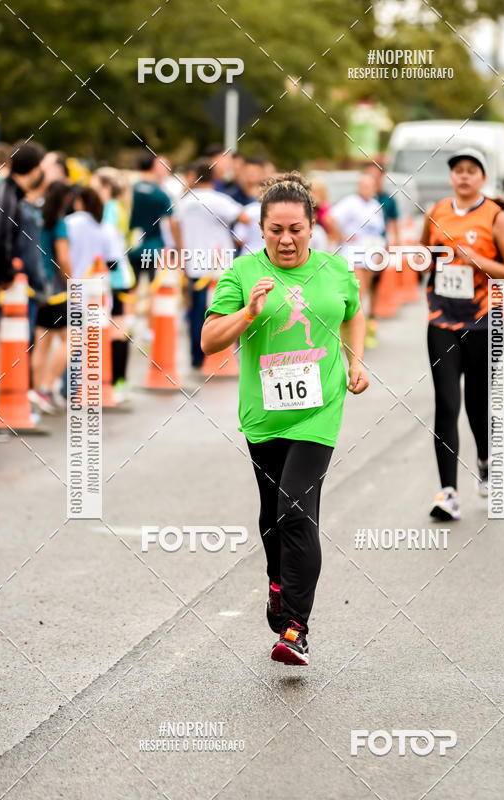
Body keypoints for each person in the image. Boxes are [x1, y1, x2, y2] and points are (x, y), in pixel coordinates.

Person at [201, 172, 369, 666]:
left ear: (312, 226)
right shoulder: (243, 273)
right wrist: (248, 314)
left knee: (295, 509)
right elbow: (209, 340)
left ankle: (295, 628)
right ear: (261, 228)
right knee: (272, 516)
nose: (287, 239)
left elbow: (353, 313)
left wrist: (356, 361)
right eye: (275, 230)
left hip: (318, 412)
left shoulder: (334, 270)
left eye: (296, 229)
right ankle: (278, 583)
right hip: (264, 415)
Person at [419, 147, 504, 520]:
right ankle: (448, 493)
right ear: (451, 177)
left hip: (484, 323)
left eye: (471, 170)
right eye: (458, 170)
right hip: (442, 321)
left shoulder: (495, 216)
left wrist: (478, 260)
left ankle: (485, 461)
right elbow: (422, 258)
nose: (463, 176)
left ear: (483, 177)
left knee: (477, 403)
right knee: (447, 404)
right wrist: (421, 259)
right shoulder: (436, 212)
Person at [172, 159, 248, 369]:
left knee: (197, 312)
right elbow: (244, 217)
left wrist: (182, 252)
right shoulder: (219, 200)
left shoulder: (185, 201)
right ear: (214, 178)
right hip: (218, 266)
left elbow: (174, 226)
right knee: (219, 311)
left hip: (194, 264)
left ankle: (197, 357)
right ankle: (218, 354)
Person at [91, 167, 135, 398]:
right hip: (117, 275)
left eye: (94, 185)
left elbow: (106, 241)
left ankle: (117, 381)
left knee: (117, 329)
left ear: (106, 188)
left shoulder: (110, 208)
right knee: (117, 327)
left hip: (114, 277)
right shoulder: (117, 206)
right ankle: (116, 381)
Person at [30, 181, 73, 413]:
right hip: (56, 290)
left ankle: (37, 393)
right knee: (73, 339)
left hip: (37, 288)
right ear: (66, 198)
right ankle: (45, 389)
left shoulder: (35, 216)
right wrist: (71, 282)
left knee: (42, 342)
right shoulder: (58, 222)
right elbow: (63, 258)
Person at [332, 173, 385, 349]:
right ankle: (345, 334)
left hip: (370, 257)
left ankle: (359, 333)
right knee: (356, 296)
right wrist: (340, 237)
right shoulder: (350, 202)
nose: (366, 189)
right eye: (363, 186)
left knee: (363, 297)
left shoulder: (376, 205)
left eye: (369, 186)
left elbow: (378, 233)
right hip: (353, 256)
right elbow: (330, 218)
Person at [0, 141, 45, 291]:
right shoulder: (8, 196)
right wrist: (7, 275)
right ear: (35, 171)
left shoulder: (8, 193)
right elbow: (1, 237)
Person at [365, 162, 400, 347]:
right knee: (359, 287)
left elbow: (394, 223)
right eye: (369, 175)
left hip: (379, 248)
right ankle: (353, 326)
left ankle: (371, 323)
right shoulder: (359, 198)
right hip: (360, 250)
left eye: (375, 175)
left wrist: (396, 246)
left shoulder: (388, 199)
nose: (372, 178)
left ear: (381, 177)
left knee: (374, 286)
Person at [128, 152, 174, 284]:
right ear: (154, 167)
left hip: (132, 247)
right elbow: (171, 223)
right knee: (153, 288)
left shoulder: (129, 191)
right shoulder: (161, 195)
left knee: (131, 288)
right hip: (154, 249)